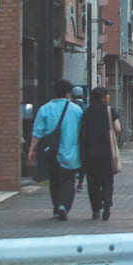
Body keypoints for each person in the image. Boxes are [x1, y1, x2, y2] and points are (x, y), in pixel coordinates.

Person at [27, 78, 84, 221]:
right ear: (67, 93)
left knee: (54, 180)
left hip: (51, 151)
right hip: (71, 152)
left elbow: (37, 132)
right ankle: (64, 205)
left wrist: (31, 150)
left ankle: (56, 206)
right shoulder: (76, 110)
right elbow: (82, 131)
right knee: (68, 180)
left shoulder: (45, 109)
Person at [79, 86, 121, 220]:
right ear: (103, 97)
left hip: (90, 152)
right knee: (107, 180)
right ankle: (107, 204)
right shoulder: (109, 111)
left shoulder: (87, 112)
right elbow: (118, 128)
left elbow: (82, 132)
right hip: (106, 152)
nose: (108, 97)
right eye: (107, 95)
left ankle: (95, 209)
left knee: (93, 182)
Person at [71, 86, 87, 192]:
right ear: (83, 95)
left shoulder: (69, 108)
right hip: (84, 139)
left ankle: (71, 182)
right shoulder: (86, 108)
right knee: (83, 161)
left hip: (71, 138)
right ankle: (80, 183)